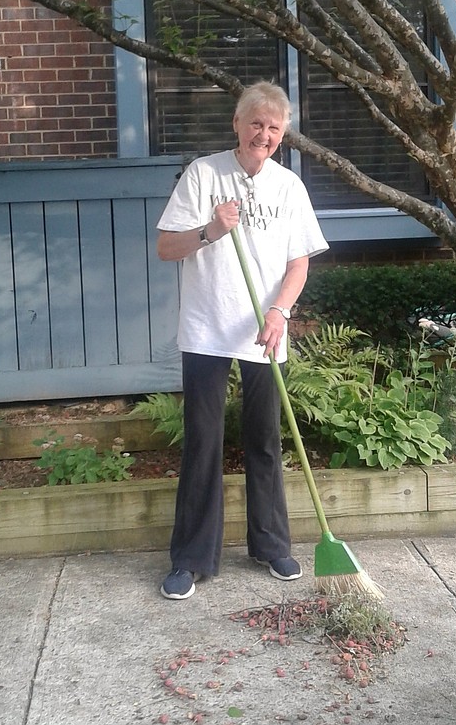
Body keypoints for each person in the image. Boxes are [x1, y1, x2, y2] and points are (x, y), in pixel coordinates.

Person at [156, 81, 328, 600]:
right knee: (203, 443)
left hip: (264, 331)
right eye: (257, 123)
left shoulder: (288, 187)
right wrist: (211, 229)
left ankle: (272, 545)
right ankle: (191, 558)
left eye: (275, 128)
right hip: (208, 329)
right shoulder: (204, 174)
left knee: (265, 440)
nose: (265, 134)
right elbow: (166, 247)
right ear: (237, 123)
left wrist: (280, 312)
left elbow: (298, 263)